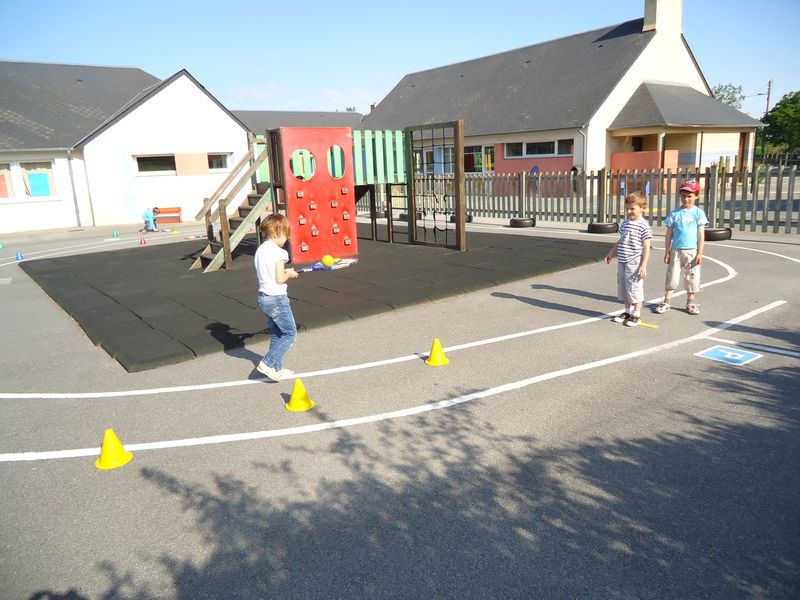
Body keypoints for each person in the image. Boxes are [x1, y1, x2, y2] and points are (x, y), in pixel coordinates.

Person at [254, 214, 299, 381]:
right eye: (285, 234)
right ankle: (267, 363)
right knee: (290, 334)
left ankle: (275, 368)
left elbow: (269, 273)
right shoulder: (280, 253)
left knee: (277, 333)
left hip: (263, 297)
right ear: (276, 233)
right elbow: (280, 279)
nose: (286, 239)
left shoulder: (261, 250)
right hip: (277, 299)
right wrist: (289, 274)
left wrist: (285, 271)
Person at [655, 179, 708, 315]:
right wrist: (667, 251)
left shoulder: (698, 213)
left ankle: (690, 302)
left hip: (691, 252)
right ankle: (666, 301)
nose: (686, 199)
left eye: (689, 196)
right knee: (672, 276)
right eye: (683, 195)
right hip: (676, 251)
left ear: (696, 196)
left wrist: (699, 253)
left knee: (692, 277)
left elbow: (701, 235)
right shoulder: (675, 214)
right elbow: (669, 234)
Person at [604, 191, 652, 327]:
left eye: (632, 208)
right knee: (624, 287)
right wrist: (611, 253)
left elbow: (646, 247)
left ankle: (636, 314)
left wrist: (643, 265)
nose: (629, 211)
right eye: (627, 209)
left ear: (642, 208)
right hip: (622, 260)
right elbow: (621, 241)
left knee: (634, 287)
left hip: (634, 261)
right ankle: (627, 311)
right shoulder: (625, 223)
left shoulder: (644, 226)